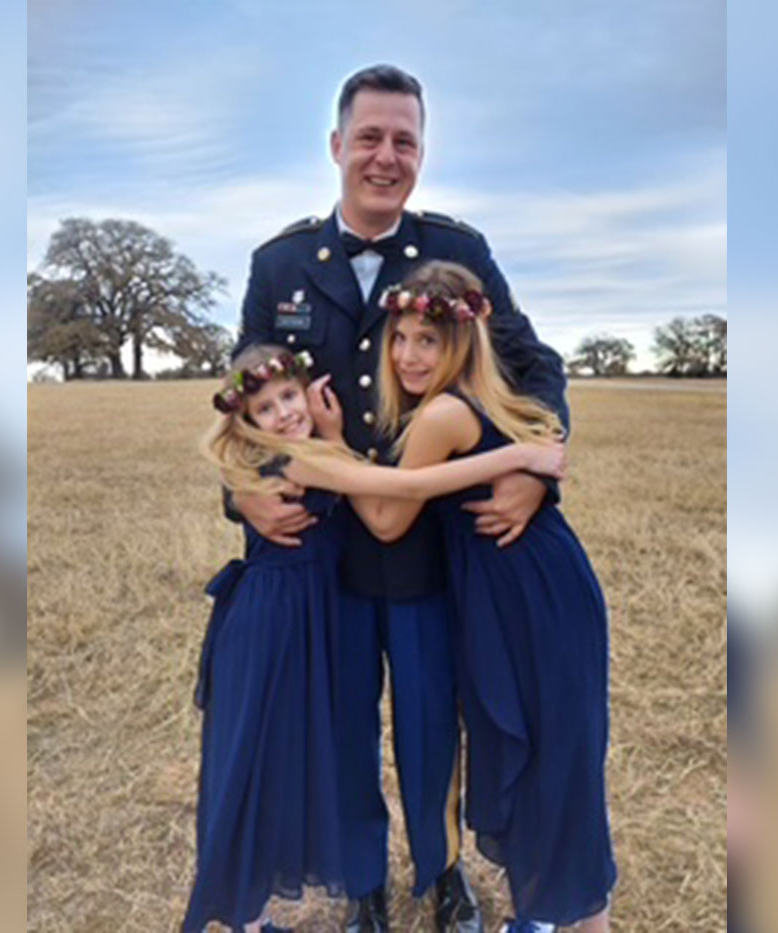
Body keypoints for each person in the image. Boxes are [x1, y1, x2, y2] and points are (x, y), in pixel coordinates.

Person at [229, 63, 568, 933]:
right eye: (370, 137)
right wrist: (248, 500)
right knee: (342, 724)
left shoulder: (459, 251)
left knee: (430, 723)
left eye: (405, 140)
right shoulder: (280, 264)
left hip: (431, 551)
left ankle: (442, 870)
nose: (387, 156)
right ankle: (362, 881)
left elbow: (536, 366)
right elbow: (246, 400)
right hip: (326, 550)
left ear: (422, 152)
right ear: (337, 145)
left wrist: (536, 466)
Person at [185, 344, 565, 933]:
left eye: (290, 395)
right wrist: (516, 455)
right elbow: (408, 486)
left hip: (293, 614)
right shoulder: (297, 458)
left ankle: (249, 920)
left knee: (258, 759)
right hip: (276, 624)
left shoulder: (292, 450)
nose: (286, 412)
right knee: (251, 762)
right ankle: (238, 916)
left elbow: (532, 364)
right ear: (245, 420)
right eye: (267, 407)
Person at [314, 260, 617, 932]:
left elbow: (387, 520)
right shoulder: (499, 394)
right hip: (542, 581)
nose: (408, 355)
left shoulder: (444, 414)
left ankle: (579, 916)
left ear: (464, 340)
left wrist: (334, 445)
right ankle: (551, 910)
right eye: (399, 337)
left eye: (428, 339)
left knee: (547, 762)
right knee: (556, 757)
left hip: (520, 596)